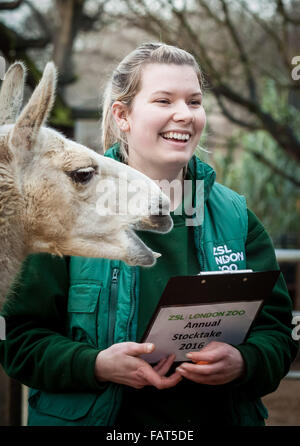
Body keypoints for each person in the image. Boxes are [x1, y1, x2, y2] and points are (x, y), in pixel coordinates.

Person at [0, 43, 298, 427]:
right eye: (163, 100)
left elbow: (276, 332)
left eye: (194, 101)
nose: (183, 114)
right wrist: (95, 365)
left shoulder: (236, 219)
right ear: (122, 115)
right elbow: (19, 340)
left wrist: (245, 362)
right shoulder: (60, 212)